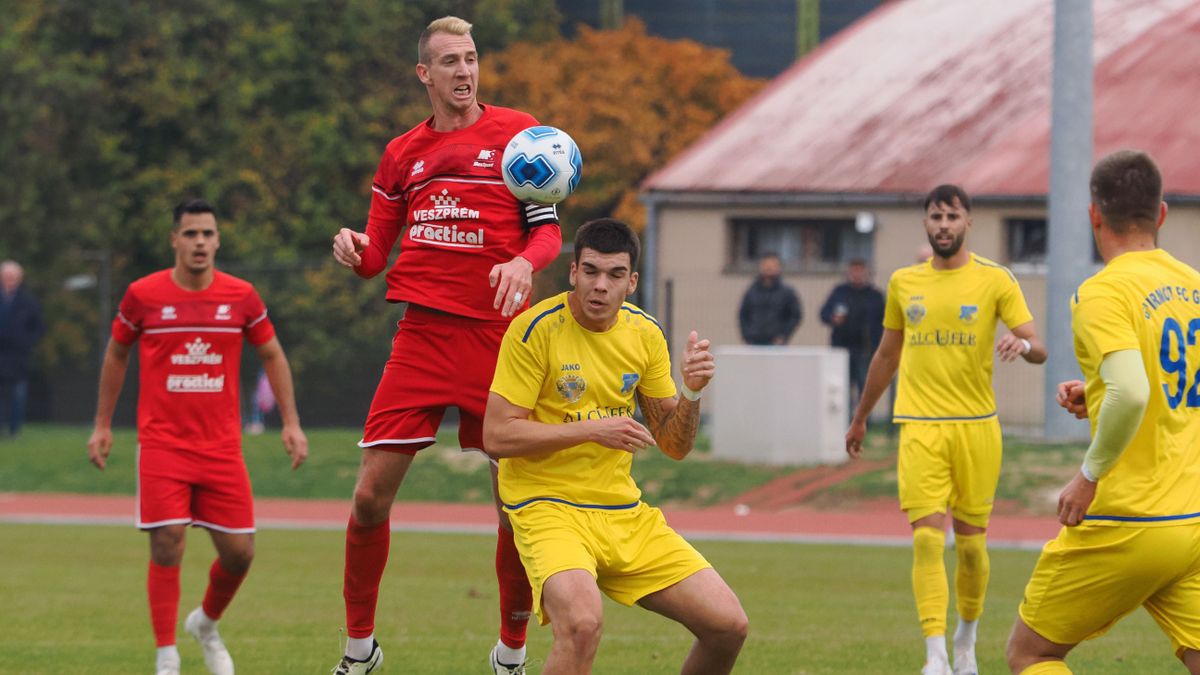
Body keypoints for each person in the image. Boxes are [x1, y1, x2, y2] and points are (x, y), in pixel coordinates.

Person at [328, 15, 563, 675]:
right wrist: (354, 251)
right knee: (370, 496)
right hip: (423, 336)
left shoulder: (521, 134)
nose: (465, 71)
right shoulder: (403, 152)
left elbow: (546, 233)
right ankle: (359, 650)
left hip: (499, 341)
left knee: (513, 509)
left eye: (472, 58)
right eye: (451, 62)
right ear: (424, 74)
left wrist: (523, 262)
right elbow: (377, 256)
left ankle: (510, 655)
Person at [483, 218, 748, 674]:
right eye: (590, 271)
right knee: (582, 625)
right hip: (547, 507)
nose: (600, 285)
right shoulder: (535, 330)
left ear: (632, 281)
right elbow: (497, 435)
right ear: (572, 272)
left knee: (728, 625)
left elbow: (673, 443)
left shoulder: (644, 334)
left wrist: (693, 392)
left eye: (614, 274)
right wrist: (591, 430)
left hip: (622, 513)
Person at [86, 199, 308, 675]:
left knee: (240, 553)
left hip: (222, 446)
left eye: (208, 234)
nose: (200, 242)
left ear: (218, 240)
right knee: (167, 541)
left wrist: (290, 422)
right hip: (163, 444)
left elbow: (272, 354)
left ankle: (205, 624)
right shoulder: (142, 296)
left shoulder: (242, 297)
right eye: (191, 234)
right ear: (175, 240)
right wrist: (103, 425)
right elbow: (116, 355)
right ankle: (167, 656)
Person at [1006, 151, 1200, 674]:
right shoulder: (1195, 287)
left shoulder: (1103, 291)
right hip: (1193, 521)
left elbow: (1133, 394)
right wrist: (1099, 395)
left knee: (1030, 654)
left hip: (1129, 518)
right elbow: (1167, 387)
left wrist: (1088, 476)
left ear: (1094, 214)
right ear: (1161, 214)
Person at [845, 184, 1048, 675]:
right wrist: (860, 415)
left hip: (977, 429)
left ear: (968, 223)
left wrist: (1022, 348)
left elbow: (1038, 346)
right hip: (920, 427)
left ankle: (965, 640)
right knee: (926, 541)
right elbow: (887, 354)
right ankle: (934, 653)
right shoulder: (903, 282)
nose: (943, 225)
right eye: (935, 216)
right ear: (925, 224)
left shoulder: (995, 281)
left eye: (952, 217)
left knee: (973, 548)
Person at [819, 258, 885, 409]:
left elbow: (885, 323)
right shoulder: (839, 292)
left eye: (860, 270)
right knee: (843, 387)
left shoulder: (875, 296)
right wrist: (833, 319)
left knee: (865, 388)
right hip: (841, 349)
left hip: (865, 349)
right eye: (854, 270)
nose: (857, 274)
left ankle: (863, 421)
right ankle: (844, 421)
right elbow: (823, 314)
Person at [0, 260, 44, 438]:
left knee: (17, 394)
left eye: (13, 276)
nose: (9, 279)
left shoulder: (29, 302)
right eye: (6, 276)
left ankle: (14, 429)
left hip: (18, 356)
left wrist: (26, 343)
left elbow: (38, 328)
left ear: (19, 278)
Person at [737, 253, 802, 345]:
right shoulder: (751, 291)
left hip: (776, 343)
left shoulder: (787, 292)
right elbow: (743, 315)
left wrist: (784, 335)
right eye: (766, 265)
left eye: (772, 265)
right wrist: (747, 335)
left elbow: (795, 316)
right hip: (754, 341)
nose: (769, 269)